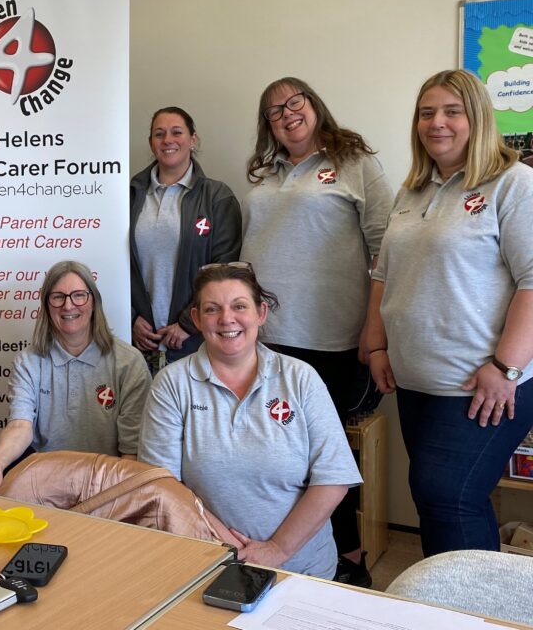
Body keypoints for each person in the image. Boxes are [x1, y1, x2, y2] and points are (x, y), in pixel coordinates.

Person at [365, 69, 533, 557]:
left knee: (448, 498)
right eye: (426, 113)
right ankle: (450, 601)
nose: (437, 122)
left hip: (481, 382)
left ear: (477, 117)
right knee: (439, 501)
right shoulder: (413, 189)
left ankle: (469, 612)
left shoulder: (514, 183)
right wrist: (375, 344)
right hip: (416, 379)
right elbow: (382, 275)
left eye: (452, 111)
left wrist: (505, 368)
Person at [239, 77, 392, 586]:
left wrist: (374, 329)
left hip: (330, 337)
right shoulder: (265, 173)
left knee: (318, 454)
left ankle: (348, 558)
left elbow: (386, 252)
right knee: (271, 449)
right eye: (273, 111)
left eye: (294, 102)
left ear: (314, 104)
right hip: (264, 336)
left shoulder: (355, 163)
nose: (285, 114)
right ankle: (280, 550)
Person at [139, 263, 361, 579]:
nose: (227, 319)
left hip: (303, 569)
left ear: (261, 313)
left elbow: (334, 477)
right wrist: (233, 549)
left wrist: (278, 549)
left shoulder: (300, 378)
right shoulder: (172, 384)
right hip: (209, 563)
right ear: (197, 319)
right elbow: (163, 485)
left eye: (239, 306)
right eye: (212, 309)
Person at [0, 261, 152, 495]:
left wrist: (115, 499)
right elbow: (20, 425)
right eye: (58, 297)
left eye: (79, 295)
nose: (68, 305)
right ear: (46, 306)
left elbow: (131, 451)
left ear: (94, 302)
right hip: (44, 481)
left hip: (105, 482)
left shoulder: (129, 363)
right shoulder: (28, 361)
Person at [131, 106, 241, 371]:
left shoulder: (217, 197)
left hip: (195, 341)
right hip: (138, 344)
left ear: (193, 139)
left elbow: (224, 271)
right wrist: (131, 318)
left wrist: (187, 323)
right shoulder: (129, 195)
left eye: (176, 132)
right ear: (151, 143)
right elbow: (113, 264)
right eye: (159, 134)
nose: (168, 140)